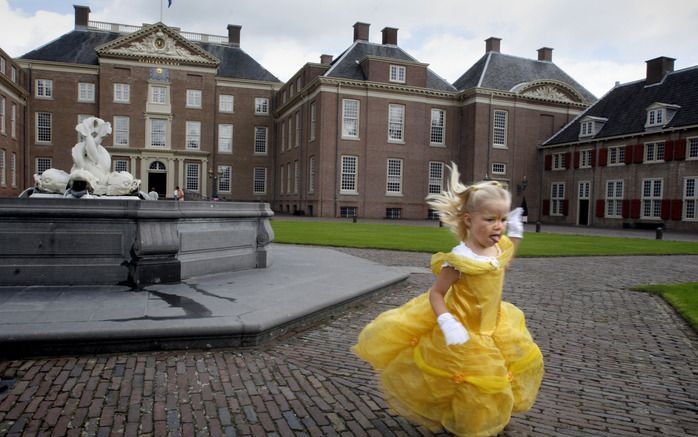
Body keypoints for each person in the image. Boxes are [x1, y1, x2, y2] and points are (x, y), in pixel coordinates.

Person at [352, 163, 543, 437]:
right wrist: (446, 321)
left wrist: (516, 231)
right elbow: (436, 293)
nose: (497, 226)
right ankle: (470, 426)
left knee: (492, 376)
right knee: (477, 380)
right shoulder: (459, 259)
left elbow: (506, 258)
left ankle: (476, 417)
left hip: (494, 324)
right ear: (468, 220)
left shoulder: (495, 247)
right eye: (490, 219)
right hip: (464, 329)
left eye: (501, 219)